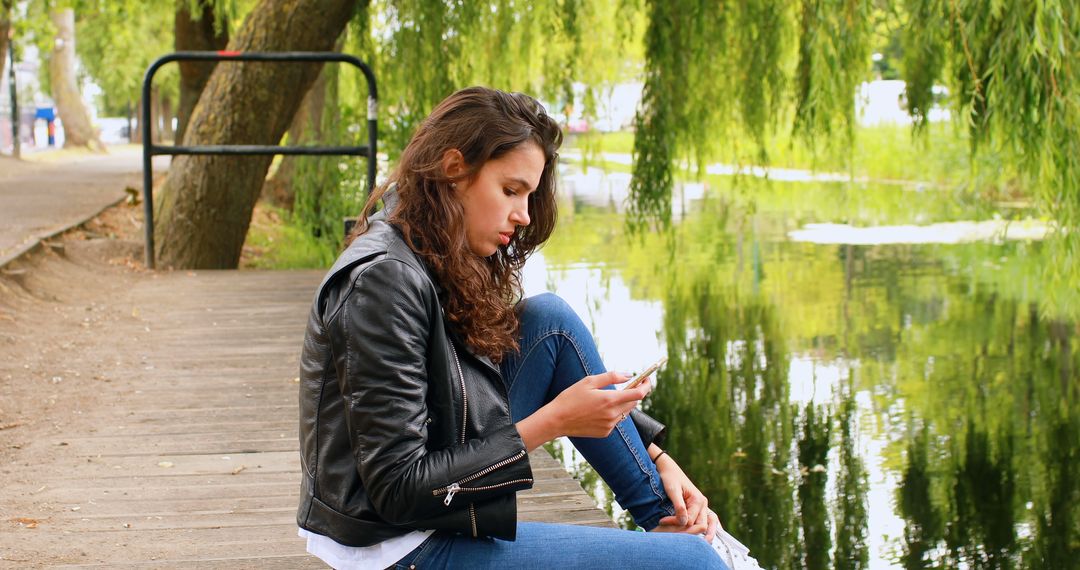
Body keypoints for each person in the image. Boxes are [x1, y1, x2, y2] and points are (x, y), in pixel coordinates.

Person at [296, 86, 727, 569]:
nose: (523, 215)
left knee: (549, 325)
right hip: (394, 544)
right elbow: (398, 490)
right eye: (511, 190)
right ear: (454, 168)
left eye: (529, 194)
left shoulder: (424, 232)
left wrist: (655, 456)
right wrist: (556, 421)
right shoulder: (383, 280)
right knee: (696, 566)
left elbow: (469, 369)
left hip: (426, 497)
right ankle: (697, 553)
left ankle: (676, 519)